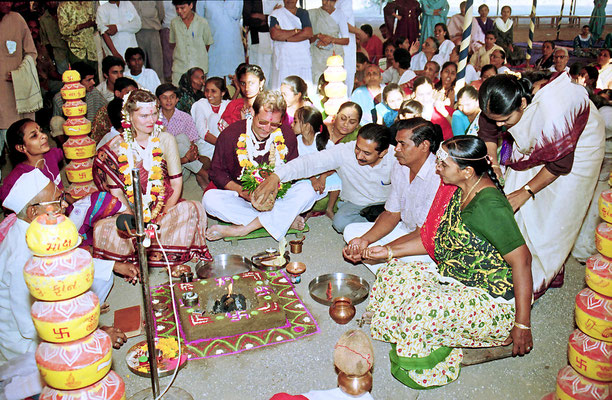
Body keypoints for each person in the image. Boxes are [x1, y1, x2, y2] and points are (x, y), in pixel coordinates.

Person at [360, 135, 533, 388]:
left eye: (443, 163)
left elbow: (523, 262)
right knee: (392, 273)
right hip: (457, 279)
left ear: (467, 171)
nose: (437, 168)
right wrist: (387, 252)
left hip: (492, 299)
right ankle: (412, 334)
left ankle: (430, 355)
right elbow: (435, 238)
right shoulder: (459, 189)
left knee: (418, 311)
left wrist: (522, 323)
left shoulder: (490, 205)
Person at [0, 169, 137, 399]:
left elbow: (65, 260)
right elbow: (31, 328)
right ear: (33, 211)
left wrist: (114, 265)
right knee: (87, 374)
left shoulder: (37, 231)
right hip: (27, 346)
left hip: (46, 315)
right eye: (57, 201)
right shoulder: (21, 258)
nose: (65, 206)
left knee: (102, 274)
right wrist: (96, 333)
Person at [478, 73, 605, 295]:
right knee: (519, 203)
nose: (500, 125)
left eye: (505, 120)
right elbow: (488, 130)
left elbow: (559, 166)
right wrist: (496, 166)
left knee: (556, 213)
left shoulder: (554, 113)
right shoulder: (502, 100)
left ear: (523, 104)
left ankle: (539, 276)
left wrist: (525, 192)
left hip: (582, 145)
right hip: (548, 139)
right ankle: (519, 261)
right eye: (496, 118)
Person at [93, 89, 212, 267]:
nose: (151, 120)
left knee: (193, 208)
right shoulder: (115, 147)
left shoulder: (165, 139)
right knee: (101, 229)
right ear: (129, 115)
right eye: (144, 116)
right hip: (130, 211)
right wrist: (133, 220)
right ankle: (152, 246)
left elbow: (176, 182)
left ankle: (144, 250)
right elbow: (116, 193)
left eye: (154, 113)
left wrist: (161, 214)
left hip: (163, 205)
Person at [203, 91, 318, 241]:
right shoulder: (230, 135)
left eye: (274, 124)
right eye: (262, 122)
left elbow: (293, 171)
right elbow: (216, 172)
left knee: (308, 191)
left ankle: (244, 228)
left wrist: (275, 190)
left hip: (276, 199)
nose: (267, 128)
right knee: (209, 200)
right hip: (243, 199)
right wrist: (241, 191)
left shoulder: (287, 135)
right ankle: (284, 220)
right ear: (252, 112)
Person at [253, 123, 396, 233]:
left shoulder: (396, 158)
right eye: (357, 148)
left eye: (366, 153)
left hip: (387, 205)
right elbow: (309, 162)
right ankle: (381, 227)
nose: (359, 155)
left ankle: (383, 225)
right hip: (357, 204)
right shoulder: (344, 151)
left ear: (383, 152)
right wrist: (276, 177)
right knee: (340, 223)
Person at [343, 118, 441, 275]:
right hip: (405, 230)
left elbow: (422, 234)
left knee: (402, 259)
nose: (396, 149)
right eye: (396, 143)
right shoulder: (400, 166)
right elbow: (391, 213)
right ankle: (392, 271)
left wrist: (385, 251)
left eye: (403, 144)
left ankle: (393, 271)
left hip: (425, 242)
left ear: (424, 146)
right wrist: (365, 241)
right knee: (351, 232)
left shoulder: (438, 176)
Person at [157, 83, 210, 191]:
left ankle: (200, 172)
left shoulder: (185, 118)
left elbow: (192, 145)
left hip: (183, 169)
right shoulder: (154, 119)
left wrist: (192, 152)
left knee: (181, 139)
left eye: (172, 97)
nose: (168, 101)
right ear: (158, 101)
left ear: (177, 99)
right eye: (164, 97)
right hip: (164, 168)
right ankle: (202, 173)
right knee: (174, 142)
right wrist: (185, 159)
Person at [0, 3, 37, 157]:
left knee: (19, 148)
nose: (8, 4)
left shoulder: (17, 20)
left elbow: (31, 53)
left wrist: (20, 73)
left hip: (13, 97)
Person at [292, 105, 341, 219]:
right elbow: (299, 167)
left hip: (324, 174)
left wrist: (323, 177)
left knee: (338, 179)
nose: (292, 125)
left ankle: (329, 208)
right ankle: (308, 210)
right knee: (304, 189)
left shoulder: (323, 141)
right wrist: (313, 179)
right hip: (305, 177)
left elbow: (335, 164)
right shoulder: (296, 142)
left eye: (295, 122)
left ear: (307, 126)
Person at [269, 0, 313, 89]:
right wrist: (297, 31)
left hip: (301, 58)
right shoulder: (276, 14)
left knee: (303, 86)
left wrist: (285, 38)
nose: (290, 0)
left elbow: (308, 33)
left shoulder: (303, 13)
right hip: (285, 59)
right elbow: (275, 34)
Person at [170, 0, 213, 86]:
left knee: (199, 97)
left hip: (199, 67)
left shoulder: (202, 22)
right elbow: (173, 43)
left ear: (191, 5)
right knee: (177, 93)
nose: (180, 11)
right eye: (177, 8)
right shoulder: (174, 23)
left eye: (182, 8)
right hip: (179, 68)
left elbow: (207, 44)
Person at [308, 0, 349, 85]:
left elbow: (346, 40)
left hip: (334, 54)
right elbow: (307, 37)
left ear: (335, 1)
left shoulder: (340, 14)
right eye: (324, 0)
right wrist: (318, 36)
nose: (326, 3)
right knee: (318, 80)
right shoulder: (313, 14)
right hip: (317, 55)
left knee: (335, 80)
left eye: (330, 1)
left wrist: (330, 39)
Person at [191, 76, 231, 159]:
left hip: (226, 146)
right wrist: (222, 146)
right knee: (214, 118)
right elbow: (202, 131)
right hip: (206, 147)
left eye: (213, 91)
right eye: (206, 91)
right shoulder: (200, 105)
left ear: (222, 93)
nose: (209, 95)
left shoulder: (228, 105)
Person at [218, 64, 267, 132]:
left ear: (261, 83)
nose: (246, 88)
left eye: (251, 83)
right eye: (243, 83)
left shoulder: (268, 106)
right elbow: (226, 134)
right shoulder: (234, 105)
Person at [204, 0, 245, 81]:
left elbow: (239, 18)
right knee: (213, 87)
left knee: (235, 87)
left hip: (234, 53)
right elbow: (200, 25)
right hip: (213, 54)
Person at [91, 77, 138, 143]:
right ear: (117, 93)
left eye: (135, 93)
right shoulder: (106, 111)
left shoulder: (137, 108)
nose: (133, 97)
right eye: (128, 93)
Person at [243, 0, 277, 87]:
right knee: (257, 71)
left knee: (273, 73)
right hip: (256, 39)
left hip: (276, 40)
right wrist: (269, 18)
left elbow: (280, 18)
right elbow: (248, 19)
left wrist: (262, 17)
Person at [57, 1, 97, 70]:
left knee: (94, 78)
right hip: (76, 50)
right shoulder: (64, 5)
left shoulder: (89, 3)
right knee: (79, 77)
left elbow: (95, 21)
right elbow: (63, 30)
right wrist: (82, 26)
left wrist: (95, 23)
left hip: (91, 49)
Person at [131, 1, 165, 81]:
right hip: (136, 33)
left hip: (152, 31)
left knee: (157, 65)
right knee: (138, 65)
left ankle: (159, 88)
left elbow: (161, 13)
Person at [39, 1, 69, 74]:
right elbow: (46, 42)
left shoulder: (66, 12)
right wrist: (52, 60)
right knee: (66, 78)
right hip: (59, 54)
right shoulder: (44, 19)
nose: (51, 3)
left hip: (74, 50)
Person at [160, 1, 177, 83]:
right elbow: (160, 14)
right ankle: (168, 78)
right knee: (168, 56)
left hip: (181, 28)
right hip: (168, 27)